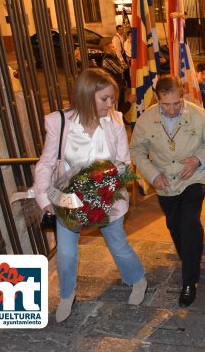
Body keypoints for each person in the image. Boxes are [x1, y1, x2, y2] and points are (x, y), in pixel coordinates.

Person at [34, 68, 147, 323]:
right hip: (68, 201)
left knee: (117, 243)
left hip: (106, 200)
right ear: (86, 96)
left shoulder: (115, 121)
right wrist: (44, 199)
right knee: (66, 252)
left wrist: (104, 184)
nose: (110, 104)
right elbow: (46, 163)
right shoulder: (58, 122)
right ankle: (66, 295)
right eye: (104, 99)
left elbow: (123, 163)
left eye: (112, 98)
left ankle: (137, 279)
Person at [130, 75, 205, 307]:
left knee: (190, 223)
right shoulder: (146, 119)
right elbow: (138, 151)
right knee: (175, 227)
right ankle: (191, 260)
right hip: (164, 184)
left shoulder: (198, 114)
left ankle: (189, 281)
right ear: (158, 100)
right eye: (165, 104)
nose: (171, 110)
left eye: (176, 103)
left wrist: (197, 160)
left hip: (193, 178)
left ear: (182, 97)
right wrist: (153, 175)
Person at [101, 42, 128, 111]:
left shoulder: (114, 57)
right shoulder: (106, 59)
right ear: (107, 49)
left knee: (122, 103)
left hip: (120, 84)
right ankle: (116, 119)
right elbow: (119, 70)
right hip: (114, 85)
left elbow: (125, 65)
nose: (115, 48)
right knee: (116, 105)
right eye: (112, 47)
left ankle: (121, 119)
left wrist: (122, 65)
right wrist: (121, 65)